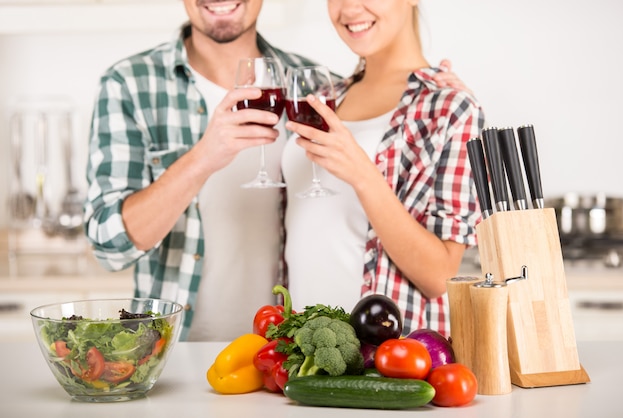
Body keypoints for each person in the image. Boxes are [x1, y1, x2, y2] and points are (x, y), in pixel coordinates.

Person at [84, 0, 472, 341]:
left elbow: (431, 266)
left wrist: (438, 93)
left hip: (284, 352)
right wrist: (203, 157)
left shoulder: (310, 83)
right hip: (179, 347)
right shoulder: (129, 85)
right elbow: (109, 248)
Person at [282, 0, 485, 338]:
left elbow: (439, 277)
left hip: (383, 360)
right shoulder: (324, 96)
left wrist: (363, 174)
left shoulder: (450, 107)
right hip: (302, 351)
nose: (348, 9)